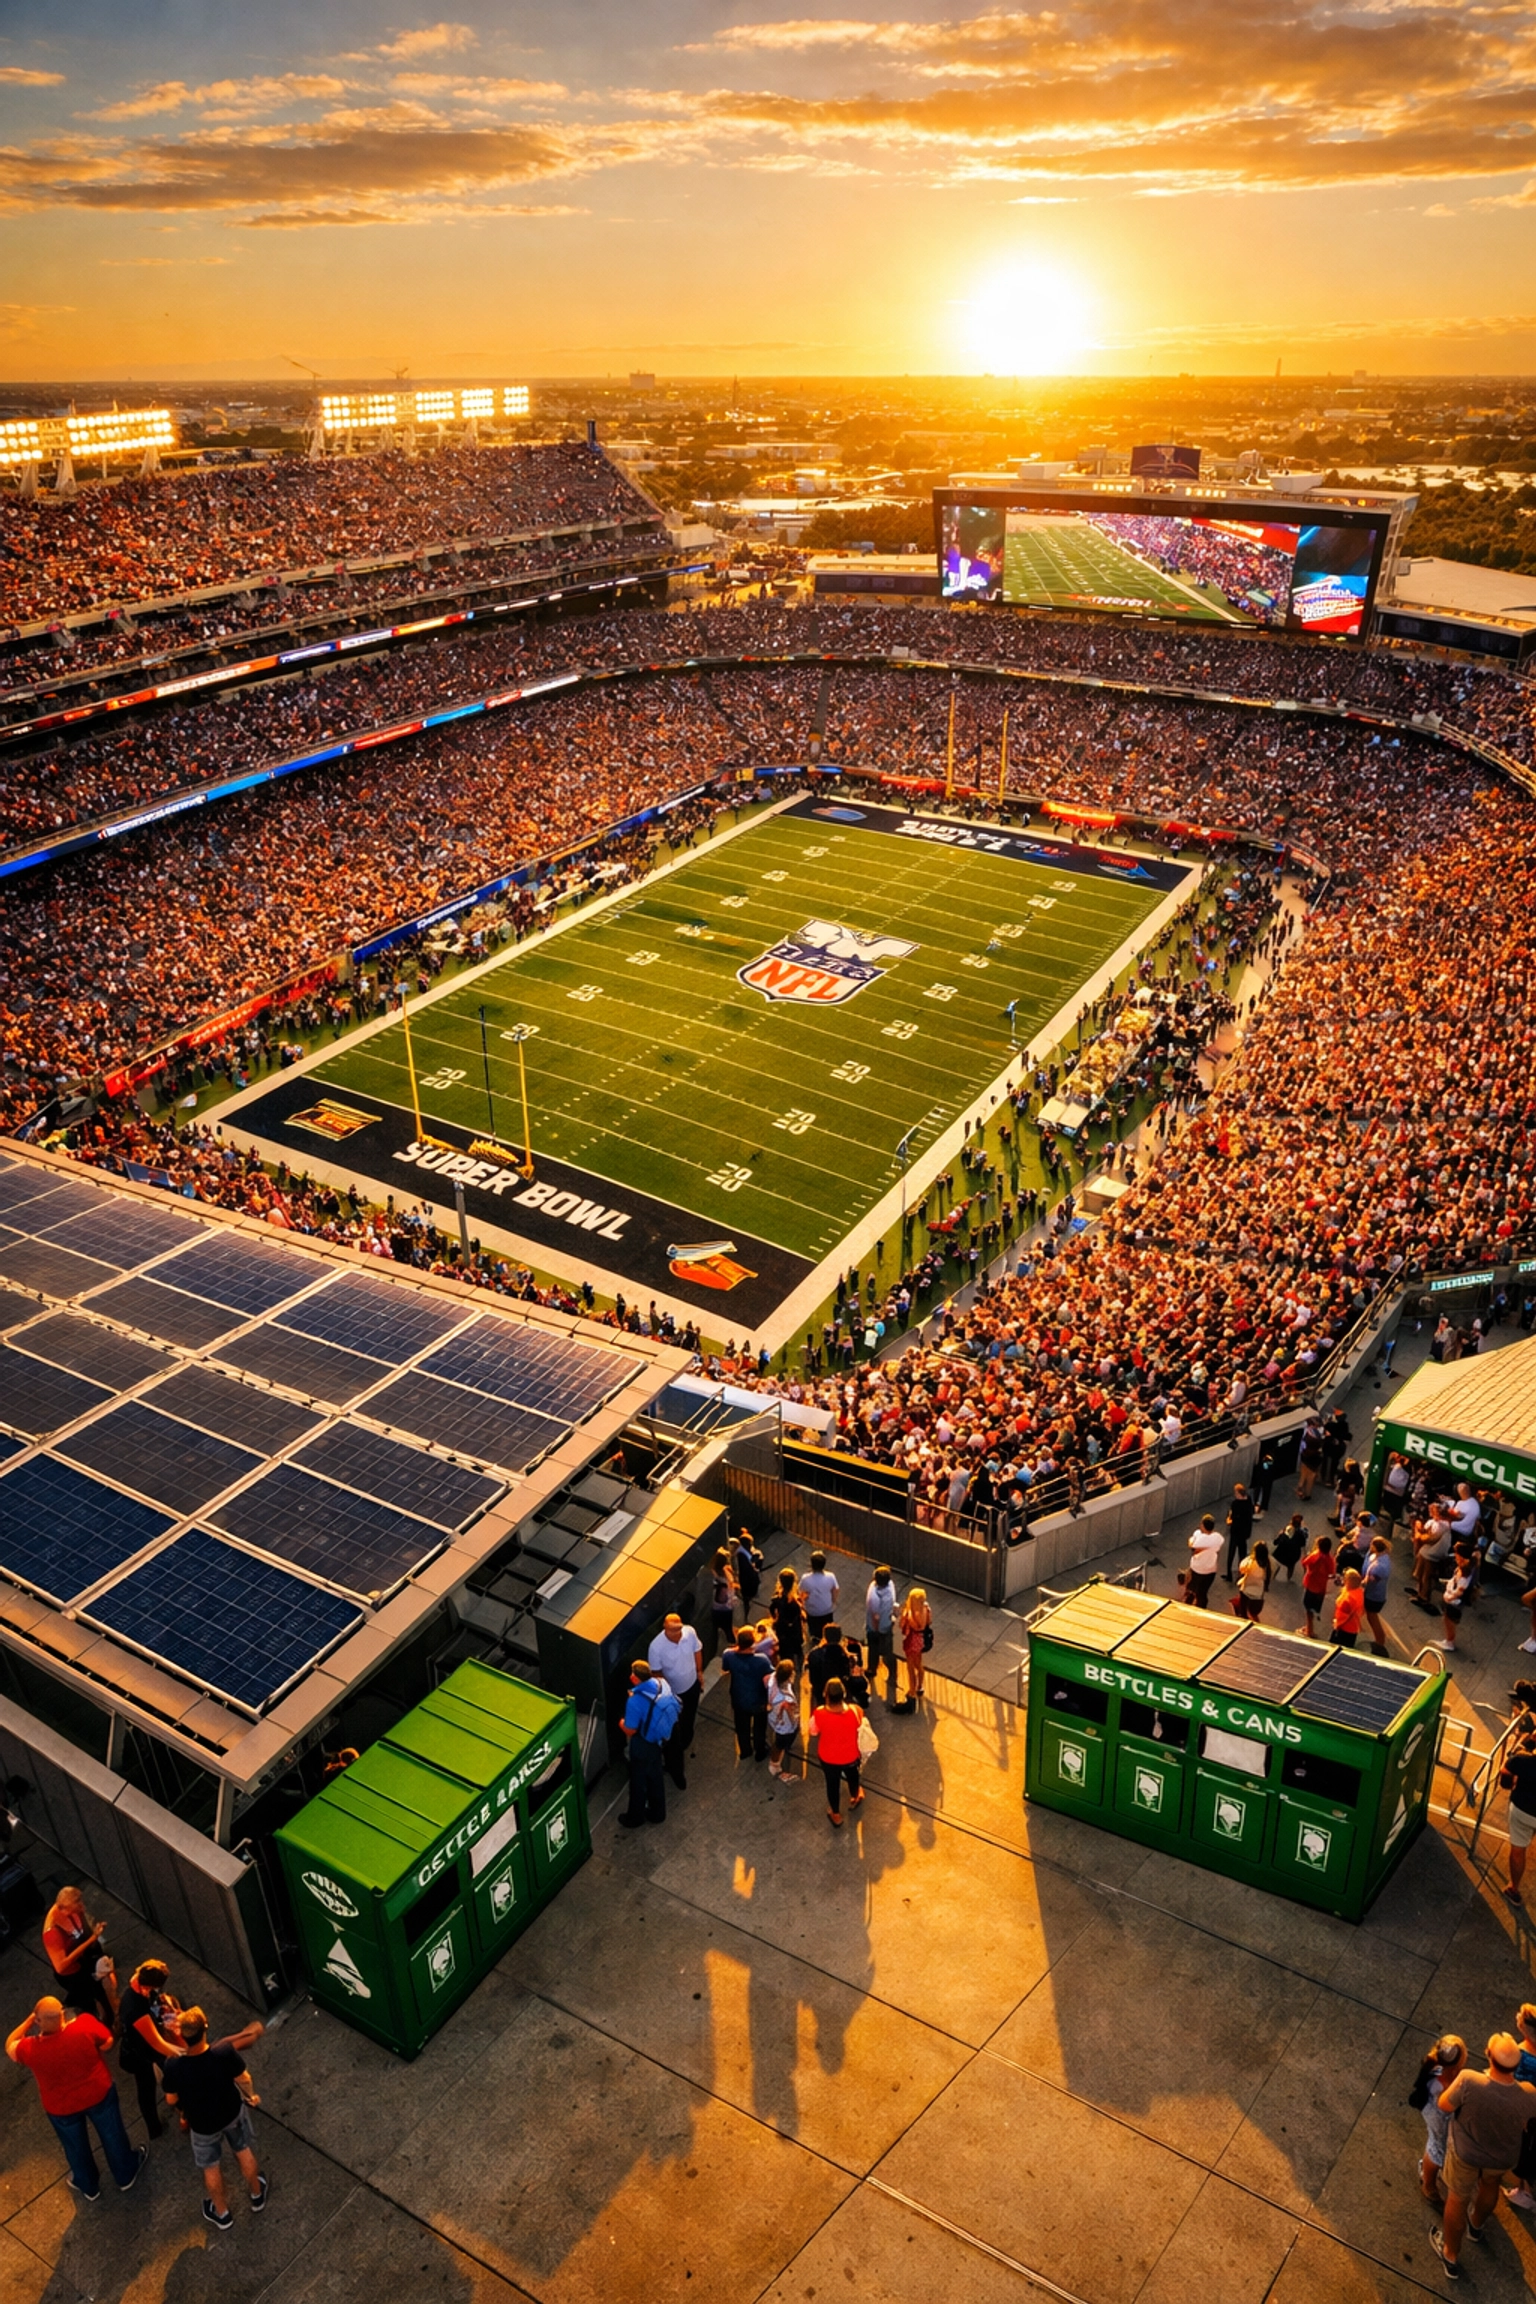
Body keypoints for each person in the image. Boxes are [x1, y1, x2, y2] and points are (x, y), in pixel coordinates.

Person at [7, 1995, 147, 2202]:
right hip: (98, 2092)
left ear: (38, 2021)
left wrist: (29, 2021)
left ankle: (88, 2185)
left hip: (61, 2107)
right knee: (112, 2133)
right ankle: (125, 2173)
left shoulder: (30, 2049)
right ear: (63, 2015)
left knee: (75, 2146)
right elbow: (108, 2043)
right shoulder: (84, 2025)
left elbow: (10, 2043)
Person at [1431, 2034, 1536, 2277]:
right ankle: (1476, 2226)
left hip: (1466, 2154)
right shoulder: (1530, 2093)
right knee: (1491, 2185)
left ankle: (1451, 2254)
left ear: (1488, 2055)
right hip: (1502, 2156)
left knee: (1457, 2199)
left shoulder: (1469, 2081)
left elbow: (1444, 2105)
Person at [162, 2006, 269, 2229]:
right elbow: (244, 2077)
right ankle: (257, 2195)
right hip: (231, 2112)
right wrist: (251, 2096)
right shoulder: (223, 2052)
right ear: (205, 2028)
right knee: (243, 2151)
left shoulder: (174, 2066)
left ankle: (222, 2213)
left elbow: (171, 2100)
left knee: (211, 2167)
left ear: (182, 2035)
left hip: (202, 2125)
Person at [116, 1957, 183, 2138]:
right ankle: (159, 2124)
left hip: (144, 2046)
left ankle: (159, 2124)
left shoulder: (140, 1982)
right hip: (140, 2052)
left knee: (150, 2085)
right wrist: (184, 2055)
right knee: (148, 2086)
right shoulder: (134, 2008)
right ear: (147, 1986)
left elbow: (158, 2005)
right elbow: (156, 2043)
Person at [647, 1611, 705, 1791]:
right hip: (673, 1694)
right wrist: (667, 1692)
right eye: (673, 1630)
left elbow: (697, 1650)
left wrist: (699, 1672)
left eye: (679, 1629)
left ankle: (686, 1739)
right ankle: (677, 1748)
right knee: (674, 1725)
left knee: (690, 1715)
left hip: (692, 1685)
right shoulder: (656, 1647)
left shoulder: (689, 1633)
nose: (678, 1633)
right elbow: (656, 1672)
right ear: (665, 1629)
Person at [619, 1659, 679, 1828]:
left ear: (635, 1678)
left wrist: (621, 1722)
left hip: (643, 1744)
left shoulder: (635, 1701)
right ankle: (658, 1813)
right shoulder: (662, 1683)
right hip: (659, 1740)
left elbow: (630, 1730)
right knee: (655, 1777)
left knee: (638, 1782)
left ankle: (635, 1817)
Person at [43, 1885, 117, 2021]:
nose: (82, 1907)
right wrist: (92, 1939)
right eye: (77, 1906)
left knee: (101, 1990)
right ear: (63, 1909)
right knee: (94, 1997)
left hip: (82, 1961)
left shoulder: (68, 1906)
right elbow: (61, 1966)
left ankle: (108, 2014)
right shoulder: (52, 1932)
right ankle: (105, 2022)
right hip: (72, 1975)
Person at [1414, 2034, 1467, 2206]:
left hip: (1433, 2112)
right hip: (1439, 2117)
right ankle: (1428, 2184)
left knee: (1435, 2143)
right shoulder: (1444, 2084)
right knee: (1437, 2149)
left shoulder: (1436, 2068)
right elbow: (1447, 2104)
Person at [810, 1676, 865, 1827]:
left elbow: (813, 1731)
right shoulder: (856, 1711)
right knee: (853, 1776)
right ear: (844, 1694)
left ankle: (836, 1814)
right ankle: (855, 1796)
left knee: (832, 1784)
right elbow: (860, 1726)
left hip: (828, 1757)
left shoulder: (819, 1713)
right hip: (851, 1755)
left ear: (825, 1695)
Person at [719, 1625, 772, 1760]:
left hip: (739, 1698)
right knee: (760, 1728)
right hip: (758, 1699)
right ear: (753, 1642)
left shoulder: (728, 1655)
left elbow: (725, 1668)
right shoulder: (762, 1660)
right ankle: (760, 1751)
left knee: (742, 1727)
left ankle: (745, 1751)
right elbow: (771, 1677)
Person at [1499, 1721, 1536, 1905]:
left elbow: (1504, 1773)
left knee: (1518, 1849)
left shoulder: (1522, 1761)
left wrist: (1511, 1785)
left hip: (1523, 1810)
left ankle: (1514, 1888)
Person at [865, 1566, 900, 1705]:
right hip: (888, 1624)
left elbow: (875, 1616)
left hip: (877, 1627)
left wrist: (875, 1629)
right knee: (888, 1651)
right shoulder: (891, 1586)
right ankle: (892, 1674)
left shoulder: (873, 1594)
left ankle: (872, 1669)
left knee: (873, 1649)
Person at [1437, 1547, 1476, 1655]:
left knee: (1450, 1622)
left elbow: (1460, 1591)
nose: (1455, 1556)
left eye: (1457, 1555)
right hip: (1452, 1600)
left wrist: (1449, 1598)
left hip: (1455, 1603)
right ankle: (1448, 1640)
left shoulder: (1465, 1574)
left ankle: (1450, 1642)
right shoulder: (1462, 1569)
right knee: (1446, 1619)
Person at [899, 1586, 932, 1704]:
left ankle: (912, 1689)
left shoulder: (911, 1613)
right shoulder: (926, 1609)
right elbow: (929, 1622)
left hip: (912, 1639)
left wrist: (906, 1614)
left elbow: (906, 1625)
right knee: (919, 1663)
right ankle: (920, 1686)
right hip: (921, 1639)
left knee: (910, 1666)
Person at [768, 1569, 806, 1669]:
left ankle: (787, 1668)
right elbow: (799, 1614)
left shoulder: (777, 1599)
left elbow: (772, 1609)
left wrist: (775, 1618)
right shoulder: (794, 1602)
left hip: (782, 1628)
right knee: (798, 1649)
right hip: (795, 1629)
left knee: (785, 1651)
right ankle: (799, 1665)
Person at [767, 1661, 799, 1780]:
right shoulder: (786, 1699)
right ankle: (774, 1763)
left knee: (779, 1741)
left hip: (773, 1718)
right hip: (785, 1726)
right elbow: (791, 1716)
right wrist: (795, 1722)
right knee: (780, 1743)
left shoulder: (772, 1679)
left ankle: (777, 1756)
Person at [799, 1551, 840, 1645]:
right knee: (827, 1631)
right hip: (827, 1610)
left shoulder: (805, 1579)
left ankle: (816, 1643)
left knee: (814, 1633)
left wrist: (805, 1603)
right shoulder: (831, 1576)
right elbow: (836, 1589)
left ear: (811, 1564)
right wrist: (833, 1601)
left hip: (812, 1612)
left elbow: (801, 1593)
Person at [1362, 1533, 1392, 1656]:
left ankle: (1380, 1641)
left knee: (1372, 1617)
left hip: (1374, 1596)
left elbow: (1371, 1583)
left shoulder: (1380, 1567)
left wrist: (1358, 1585)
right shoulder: (1375, 1556)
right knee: (1370, 1616)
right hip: (1371, 1593)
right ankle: (1379, 1639)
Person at [1300, 1533, 1335, 1638]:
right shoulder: (1330, 1559)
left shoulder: (1315, 1556)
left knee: (1308, 1610)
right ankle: (1310, 1628)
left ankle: (1309, 1630)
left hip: (1311, 1586)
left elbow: (1304, 1562)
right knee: (1315, 1609)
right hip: (1321, 1588)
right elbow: (1331, 1572)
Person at [708, 1547, 738, 1657]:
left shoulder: (719, 1579)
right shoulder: (728, 1570)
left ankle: (724, 1647)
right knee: (728, 1627)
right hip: (729, 1606)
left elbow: (721, 1599)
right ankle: (732, 1641)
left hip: (721, 1609)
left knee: (721, 1628)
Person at [1187, 1516, 1221, 1608]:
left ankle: (1189, 1604)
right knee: (1203, 1593)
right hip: (1211, 1570)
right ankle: (1202, 1608)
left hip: (1197, 1569)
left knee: (1192, 1588)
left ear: (1202, 1525)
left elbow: (1191, 1544)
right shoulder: (1218, 1537)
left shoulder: (1198, 1536)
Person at [1224, 1482, 1254, 1582]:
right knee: (1242, 1552)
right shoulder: (1249, 1500)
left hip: (1236, 1531)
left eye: (1236, 1493)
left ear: (1239, 1494)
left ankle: (1229, 1574)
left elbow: (1232, 1518)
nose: (1234, 1495)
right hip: (1245, 1531)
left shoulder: (1236, 1504)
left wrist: (1229, 1520)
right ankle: (1242, 1572)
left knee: (1231, 1552)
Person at [1234, 1542, 1271, 1622]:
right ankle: (1257, 1628)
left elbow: (1241, 1568)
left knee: (1243, 1612)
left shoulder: (1250, 1561)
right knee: (1254, 1614)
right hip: (1258, 1593)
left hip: (1246, 1589)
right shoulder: (1267, 1565)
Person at [1330, 1566, 1366, 1649]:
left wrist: (1336, 1624)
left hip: (1344, 1630)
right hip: (1353, 1628)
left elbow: (1342, 1618)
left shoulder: (1347, 1600)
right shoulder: (1359, 1591)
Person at [1272, 1512, 1308, 1583]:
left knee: (1276, 1564)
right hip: (1293, 1556)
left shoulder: (1287, 1529)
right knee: (1291, 1567)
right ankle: (1289, 1578)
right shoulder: (1301, 1534)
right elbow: (1302, 1545)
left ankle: (1273, 1575)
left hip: (1280, 1553)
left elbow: (1276, 1542)